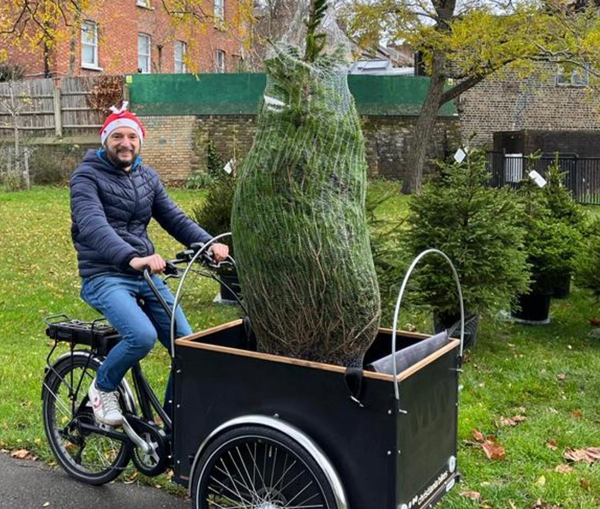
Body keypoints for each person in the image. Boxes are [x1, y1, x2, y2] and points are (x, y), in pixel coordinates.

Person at [70, 103, 228, 427]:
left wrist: (209, 243)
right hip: (105, 274)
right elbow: (92, 224)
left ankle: (172, 424)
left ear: (140, 141)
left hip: (143, 274)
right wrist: (131, 256)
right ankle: (103, 388)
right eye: (117, 136)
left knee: (188, 348)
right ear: (105, 141)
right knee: (140, 336)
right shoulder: (86, 177)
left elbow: (174, 218)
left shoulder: (146, 176)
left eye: (131, 136)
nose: (125, 143)